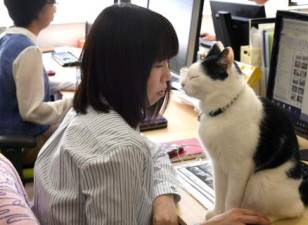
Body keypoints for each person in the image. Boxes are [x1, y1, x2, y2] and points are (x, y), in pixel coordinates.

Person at [32, 3, 270, 225]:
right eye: (159, 65)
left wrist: (163, 196)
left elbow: (152, 151)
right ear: (124, 69)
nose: (168, 76)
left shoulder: (91, 111)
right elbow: (133, 150)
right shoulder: (119, 149)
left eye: (168, 63)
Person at [0, 0, 72, 165]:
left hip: (11, 130)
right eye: (52, 3)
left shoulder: (8, 38)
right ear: (38, 10)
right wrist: (75, 101)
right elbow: (33, 112)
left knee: (73, 126)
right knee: (84, 140)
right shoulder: (28, 50)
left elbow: (31, 84)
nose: (55, 7)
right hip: (23, 143)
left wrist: (75, 85)